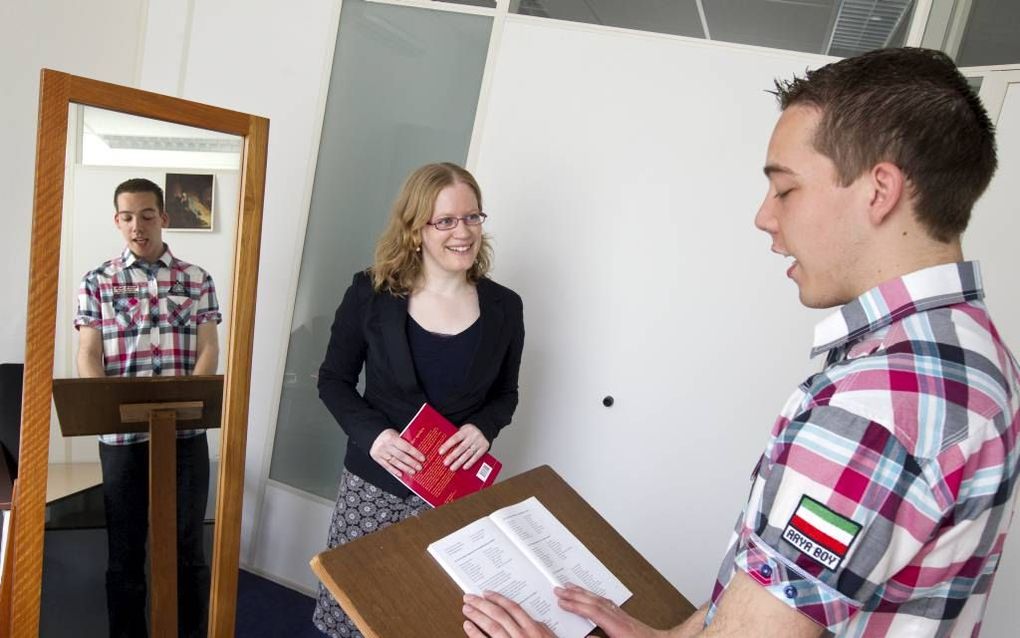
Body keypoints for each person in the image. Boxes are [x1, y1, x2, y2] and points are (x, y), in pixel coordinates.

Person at [462, 47, 1020, 638]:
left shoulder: (876, 404)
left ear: (879, 191)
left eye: (785, 189)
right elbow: (796, 582)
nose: (764, 216)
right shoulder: (970, 349)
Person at [313, 162, 526, 637]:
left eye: (472, 217)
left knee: (427, 615)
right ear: (415, 229)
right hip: (373, 486)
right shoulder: (369, 293)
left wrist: (483, 428)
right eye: (445, 221)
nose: (463, 232)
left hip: (452, 495)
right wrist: (374, 436)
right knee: (350, 612)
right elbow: (333, 380)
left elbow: (506, 394)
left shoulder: (505, 307)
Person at [76, 177, 221, 637]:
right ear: (117, 221)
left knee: (186, 547)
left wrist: (194, 404)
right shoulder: (97, 280)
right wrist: (103, 408)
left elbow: (209, 347)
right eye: (127, 216)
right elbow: (88, 353)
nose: (137, 225)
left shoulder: (197, 278)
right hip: (122, 440)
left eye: (146, 214)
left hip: (184, 436)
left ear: (165, 217)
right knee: (124, 552)